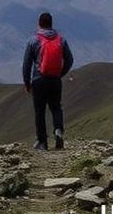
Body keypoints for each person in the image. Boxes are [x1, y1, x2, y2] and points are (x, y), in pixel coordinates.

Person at [22, 12, 74, 150]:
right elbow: (69, 59)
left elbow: (26, 64)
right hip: (55, 80)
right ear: (51, 24)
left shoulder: (33, 40)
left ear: (39, 23)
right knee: (56, 107)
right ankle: (58, 131)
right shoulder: (61, 40)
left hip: (39, 80)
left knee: (40, 111)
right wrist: (60, 73)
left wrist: (27, 83)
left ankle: (42, 142)